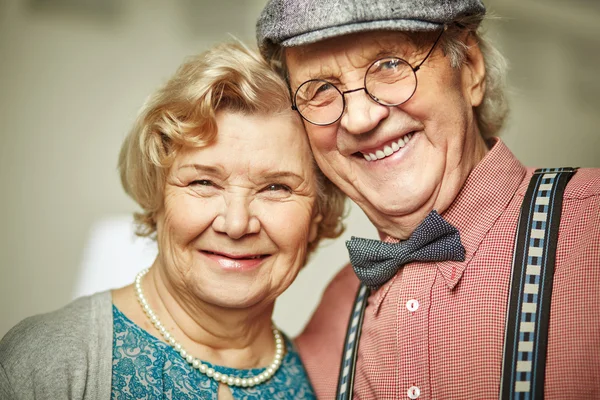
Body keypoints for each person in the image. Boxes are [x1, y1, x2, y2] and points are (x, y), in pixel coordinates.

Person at [257, 0, 600, 399]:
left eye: (389, 64)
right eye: (320, 89)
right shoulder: (332, 316)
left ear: (469, 67)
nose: (360, 119)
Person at [0, 41, 346, 399]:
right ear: (157, 195)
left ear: (318, 214)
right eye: (204, 182)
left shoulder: (329, 377)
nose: (237, 223)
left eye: (276, 187)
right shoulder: (51, 360)